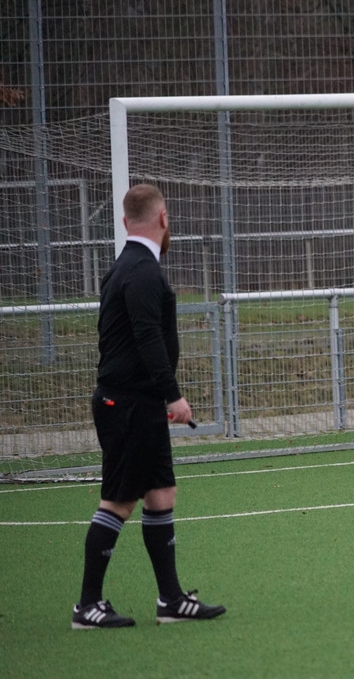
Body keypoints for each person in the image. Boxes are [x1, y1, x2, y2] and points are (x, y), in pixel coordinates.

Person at [72, 184, 225, 629]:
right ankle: (87, 606)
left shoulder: (130, 266)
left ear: (125, 222)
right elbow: (146, 336)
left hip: (138, 401)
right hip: (127, 403)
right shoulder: (139, 270)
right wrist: (172, 394)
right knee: (119, 501)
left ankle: (171, 600)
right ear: (163, 218)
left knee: (160, 495)